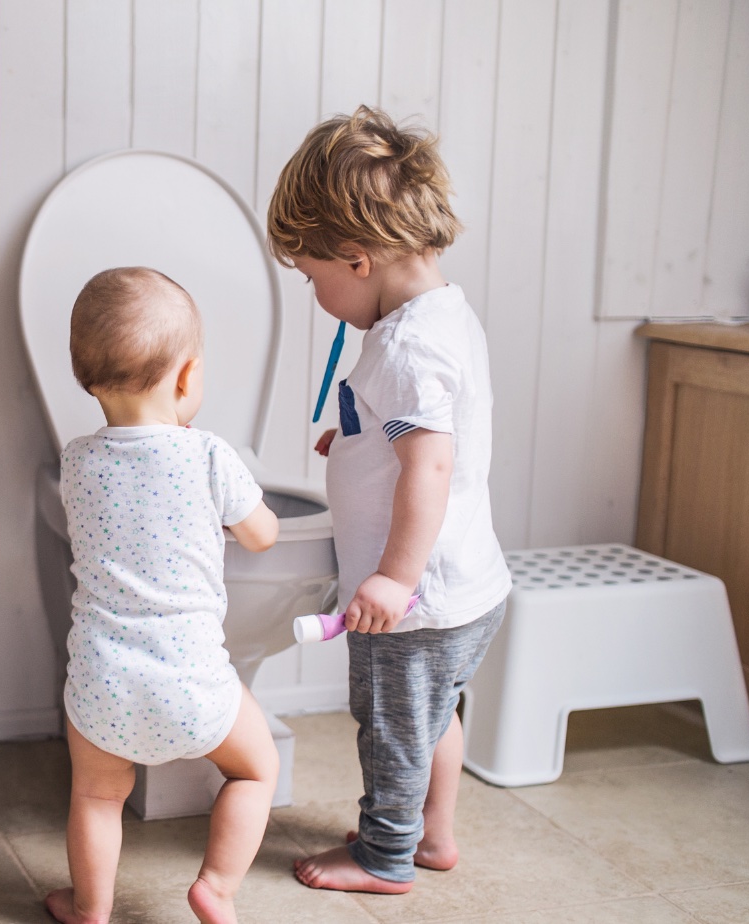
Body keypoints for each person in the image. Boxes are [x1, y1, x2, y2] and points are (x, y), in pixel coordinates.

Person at [266, 105, 512, 894]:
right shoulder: (439, 315)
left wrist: (393, 579)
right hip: (468, 585)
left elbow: (429, 468)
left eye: (312, 277)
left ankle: (385, 856)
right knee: (433, 716)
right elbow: (431, 436)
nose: (315, 293)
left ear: (357, 259)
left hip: (417, 597)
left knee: (395, 730)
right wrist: (359, 438)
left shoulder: (405, 346)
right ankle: (433, 834)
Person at [48, 267, 282, 924]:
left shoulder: (77, 461)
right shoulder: (209, 456)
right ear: (186, 378)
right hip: (192, 680)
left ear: (87, 380)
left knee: (96, 797)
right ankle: (216, 886)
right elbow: (262, 535)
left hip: (103, 682)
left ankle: (90, 910)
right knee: (255, 769)